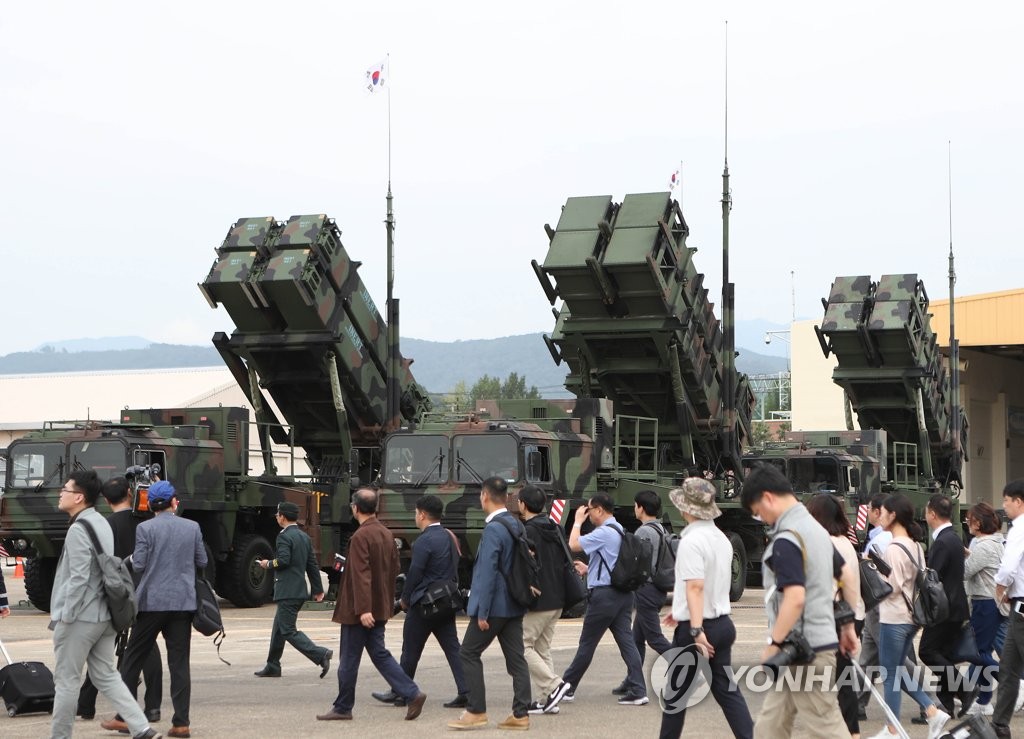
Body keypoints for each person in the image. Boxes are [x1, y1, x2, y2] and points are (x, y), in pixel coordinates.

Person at [739, 464, 858, 739]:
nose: (762, 519)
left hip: (805, 652)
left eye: (758, 512)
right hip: (806, 649)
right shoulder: (817, 532)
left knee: (826, 727)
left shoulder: (787, 539)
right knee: (770, 725)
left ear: (768, 498)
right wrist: (848, 626)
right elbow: (847, 576)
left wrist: (774, 643)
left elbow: (794, 598)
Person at [48, 470, 159, 739]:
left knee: (66, 680)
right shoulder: (99, 521)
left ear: (79, 497)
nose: (60, 494)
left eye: (65, 489)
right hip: (105, 614)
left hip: (80, 616)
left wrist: (65, 615)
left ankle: (60, 736)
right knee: (106, 675)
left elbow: (78, 578)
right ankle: (141, 728)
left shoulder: (78, 529)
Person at [101, 480, 206, 739]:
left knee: (133, 658)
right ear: (174, 502)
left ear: (150, 504)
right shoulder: (192, 527)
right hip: (182, 603)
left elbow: (139, 565)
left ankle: (125, 716)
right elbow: (202, 560)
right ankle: (181, 723)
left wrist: (128, 560)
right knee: (179, 663)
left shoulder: (145, 528)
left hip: (151, 603)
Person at [317, 488, 426, 722]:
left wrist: (363, 608)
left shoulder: (360, 537)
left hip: (360, 610)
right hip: (380, 606)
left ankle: (343, 707)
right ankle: (412, 693)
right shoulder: (386, 534)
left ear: (355, 508)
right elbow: (395, 569)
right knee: (379, 653)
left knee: (349, 659)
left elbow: (361, 574)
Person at [658, 478, 753, 739]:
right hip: (722, 622)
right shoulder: (721, 539)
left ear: (686, 508)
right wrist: (681, 609)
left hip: (700, 627)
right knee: (726, 691)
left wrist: (696, 629)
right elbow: (711, 584)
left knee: (675, 695)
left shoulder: (691, 541)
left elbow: (696, 587)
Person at [543, 493, 647, 713]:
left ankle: (567, 688)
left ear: (599, 510)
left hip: (604, 597)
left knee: (587, 644)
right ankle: (639, 690)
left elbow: (573, 545)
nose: (587, 513)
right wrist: (589, 569)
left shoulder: (603, 532)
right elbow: (612, 563)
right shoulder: (619, 529)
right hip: (623, 595)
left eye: (589, 509)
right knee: (627, 643)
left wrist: (577, 521)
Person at [447, 477, 532, 730]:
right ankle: (521, 713)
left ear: (484, 496)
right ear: (506, 497)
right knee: (516, 659)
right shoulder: (516, 524)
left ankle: (476, 710)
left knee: (468, 653)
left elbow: (487, 573)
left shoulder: (494, 529)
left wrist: (481, 611)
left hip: (494, 605)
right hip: (514, 603)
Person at [371, 494, 468, 709]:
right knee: (453, 648)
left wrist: (405, 599)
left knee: (410, 649)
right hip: (445, 602)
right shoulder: (449, 536)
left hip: (424, 603)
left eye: (416, 513)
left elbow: (415, 573)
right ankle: (466, 691)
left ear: (423, 515)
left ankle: (401, 691)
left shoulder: (424, 540)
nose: (415, 516)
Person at [78, 477, 163, 722]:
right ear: (130, 492)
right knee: (147, 649)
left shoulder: (105, 525)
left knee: (102, 650)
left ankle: (86, 703)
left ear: (106, 500)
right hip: (145, 591)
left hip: (116, 594)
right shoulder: (148, 521)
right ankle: (152, 706)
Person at [870, 493, 949, 739]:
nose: (880, 516)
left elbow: (891, 587)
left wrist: (873, 576)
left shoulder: (894, 548)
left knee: (890, 674)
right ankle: (932, 711)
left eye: (883, 512)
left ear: (893, 515)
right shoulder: (914, 545)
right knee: (897, 671)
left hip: (894, 617)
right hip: (911, 618)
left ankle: (892, 729)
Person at [807, 494, 865, 739]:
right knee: (844, 676)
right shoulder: (846, 542)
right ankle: (852, 731)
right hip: (854, 613)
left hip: (834, 616)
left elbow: (828, 587)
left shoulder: (825, 544)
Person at [253, 501, 332, 679]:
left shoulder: (283, 537)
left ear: (282, 517)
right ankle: (273, 665)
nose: (276, 517)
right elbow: (312, 565)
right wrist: (317, 589)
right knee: (279, 628)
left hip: (287, 591)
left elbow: (283, 560)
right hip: (298, 591)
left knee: (288, 630)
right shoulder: (304, 537)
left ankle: (321, 654)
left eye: (277, 514)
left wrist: (268, 564)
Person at [918, 494, 972, 718]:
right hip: (956, 605)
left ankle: (964, 689)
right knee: (944, 655)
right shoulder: (954, 537)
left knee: (927, 651)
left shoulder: (942, 542)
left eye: (926, 511)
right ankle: (947, 704)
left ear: (932, 514)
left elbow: (934, 578)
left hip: (944, 608)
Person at [616, 489, 673, 696]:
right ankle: (632, 679)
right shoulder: (661, 529)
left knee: (654, 638)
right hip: (657, 589)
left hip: (646, 590)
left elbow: (635, 562)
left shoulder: (643, 532)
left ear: (641, 508)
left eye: (635, 505)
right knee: (636, 639)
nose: (634, 509)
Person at [517, 484, 568, 715]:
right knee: (542, 648)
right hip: (558, 597)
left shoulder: (527, 531)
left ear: (523, 505)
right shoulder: (555, 527)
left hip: (539, 599)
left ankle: (554, 685)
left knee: (522, 646)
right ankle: (547, 700)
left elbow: (526, 566)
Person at [962, 502, 1006, 717]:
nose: (967, 523)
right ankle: (984, 700)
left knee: (977, 653)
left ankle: (1012, 681)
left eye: (969, 519)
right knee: (984, 651)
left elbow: (965, 571)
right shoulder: (995, 541)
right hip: (992, 601)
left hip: (985, 602)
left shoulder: (984, 545)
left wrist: (961, 556)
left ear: (978, 523)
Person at [990, 479, 1024, 739]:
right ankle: (999, 725)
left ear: (1018, 502)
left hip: (1021, 607)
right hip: (1018, 606)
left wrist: (1000, 586)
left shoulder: (1019, 528)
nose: (1004, 506)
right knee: (1008, 667)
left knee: (1010, 668)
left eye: (1006, 500)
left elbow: (1010, 565)